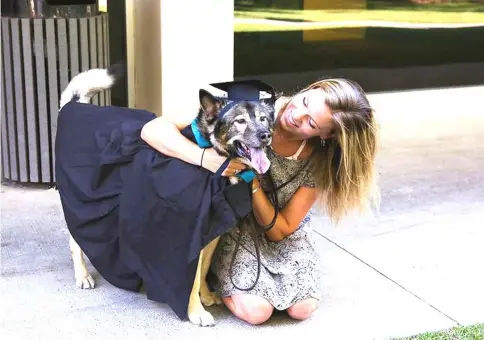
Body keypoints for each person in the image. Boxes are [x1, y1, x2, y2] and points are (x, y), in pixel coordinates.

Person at [140, 77, 380, 325]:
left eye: (311, 122)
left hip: (279, 232)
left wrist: (250, 179)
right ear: (308, 89)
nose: (297, 116)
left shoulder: (319, 161)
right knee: (258, 311)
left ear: (326, 135)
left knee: (303, 308)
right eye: (305, 102)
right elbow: (152, 129)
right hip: (235, 226)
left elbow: (282, 230)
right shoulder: (253, 108)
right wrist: (204, 158)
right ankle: (215, 279)